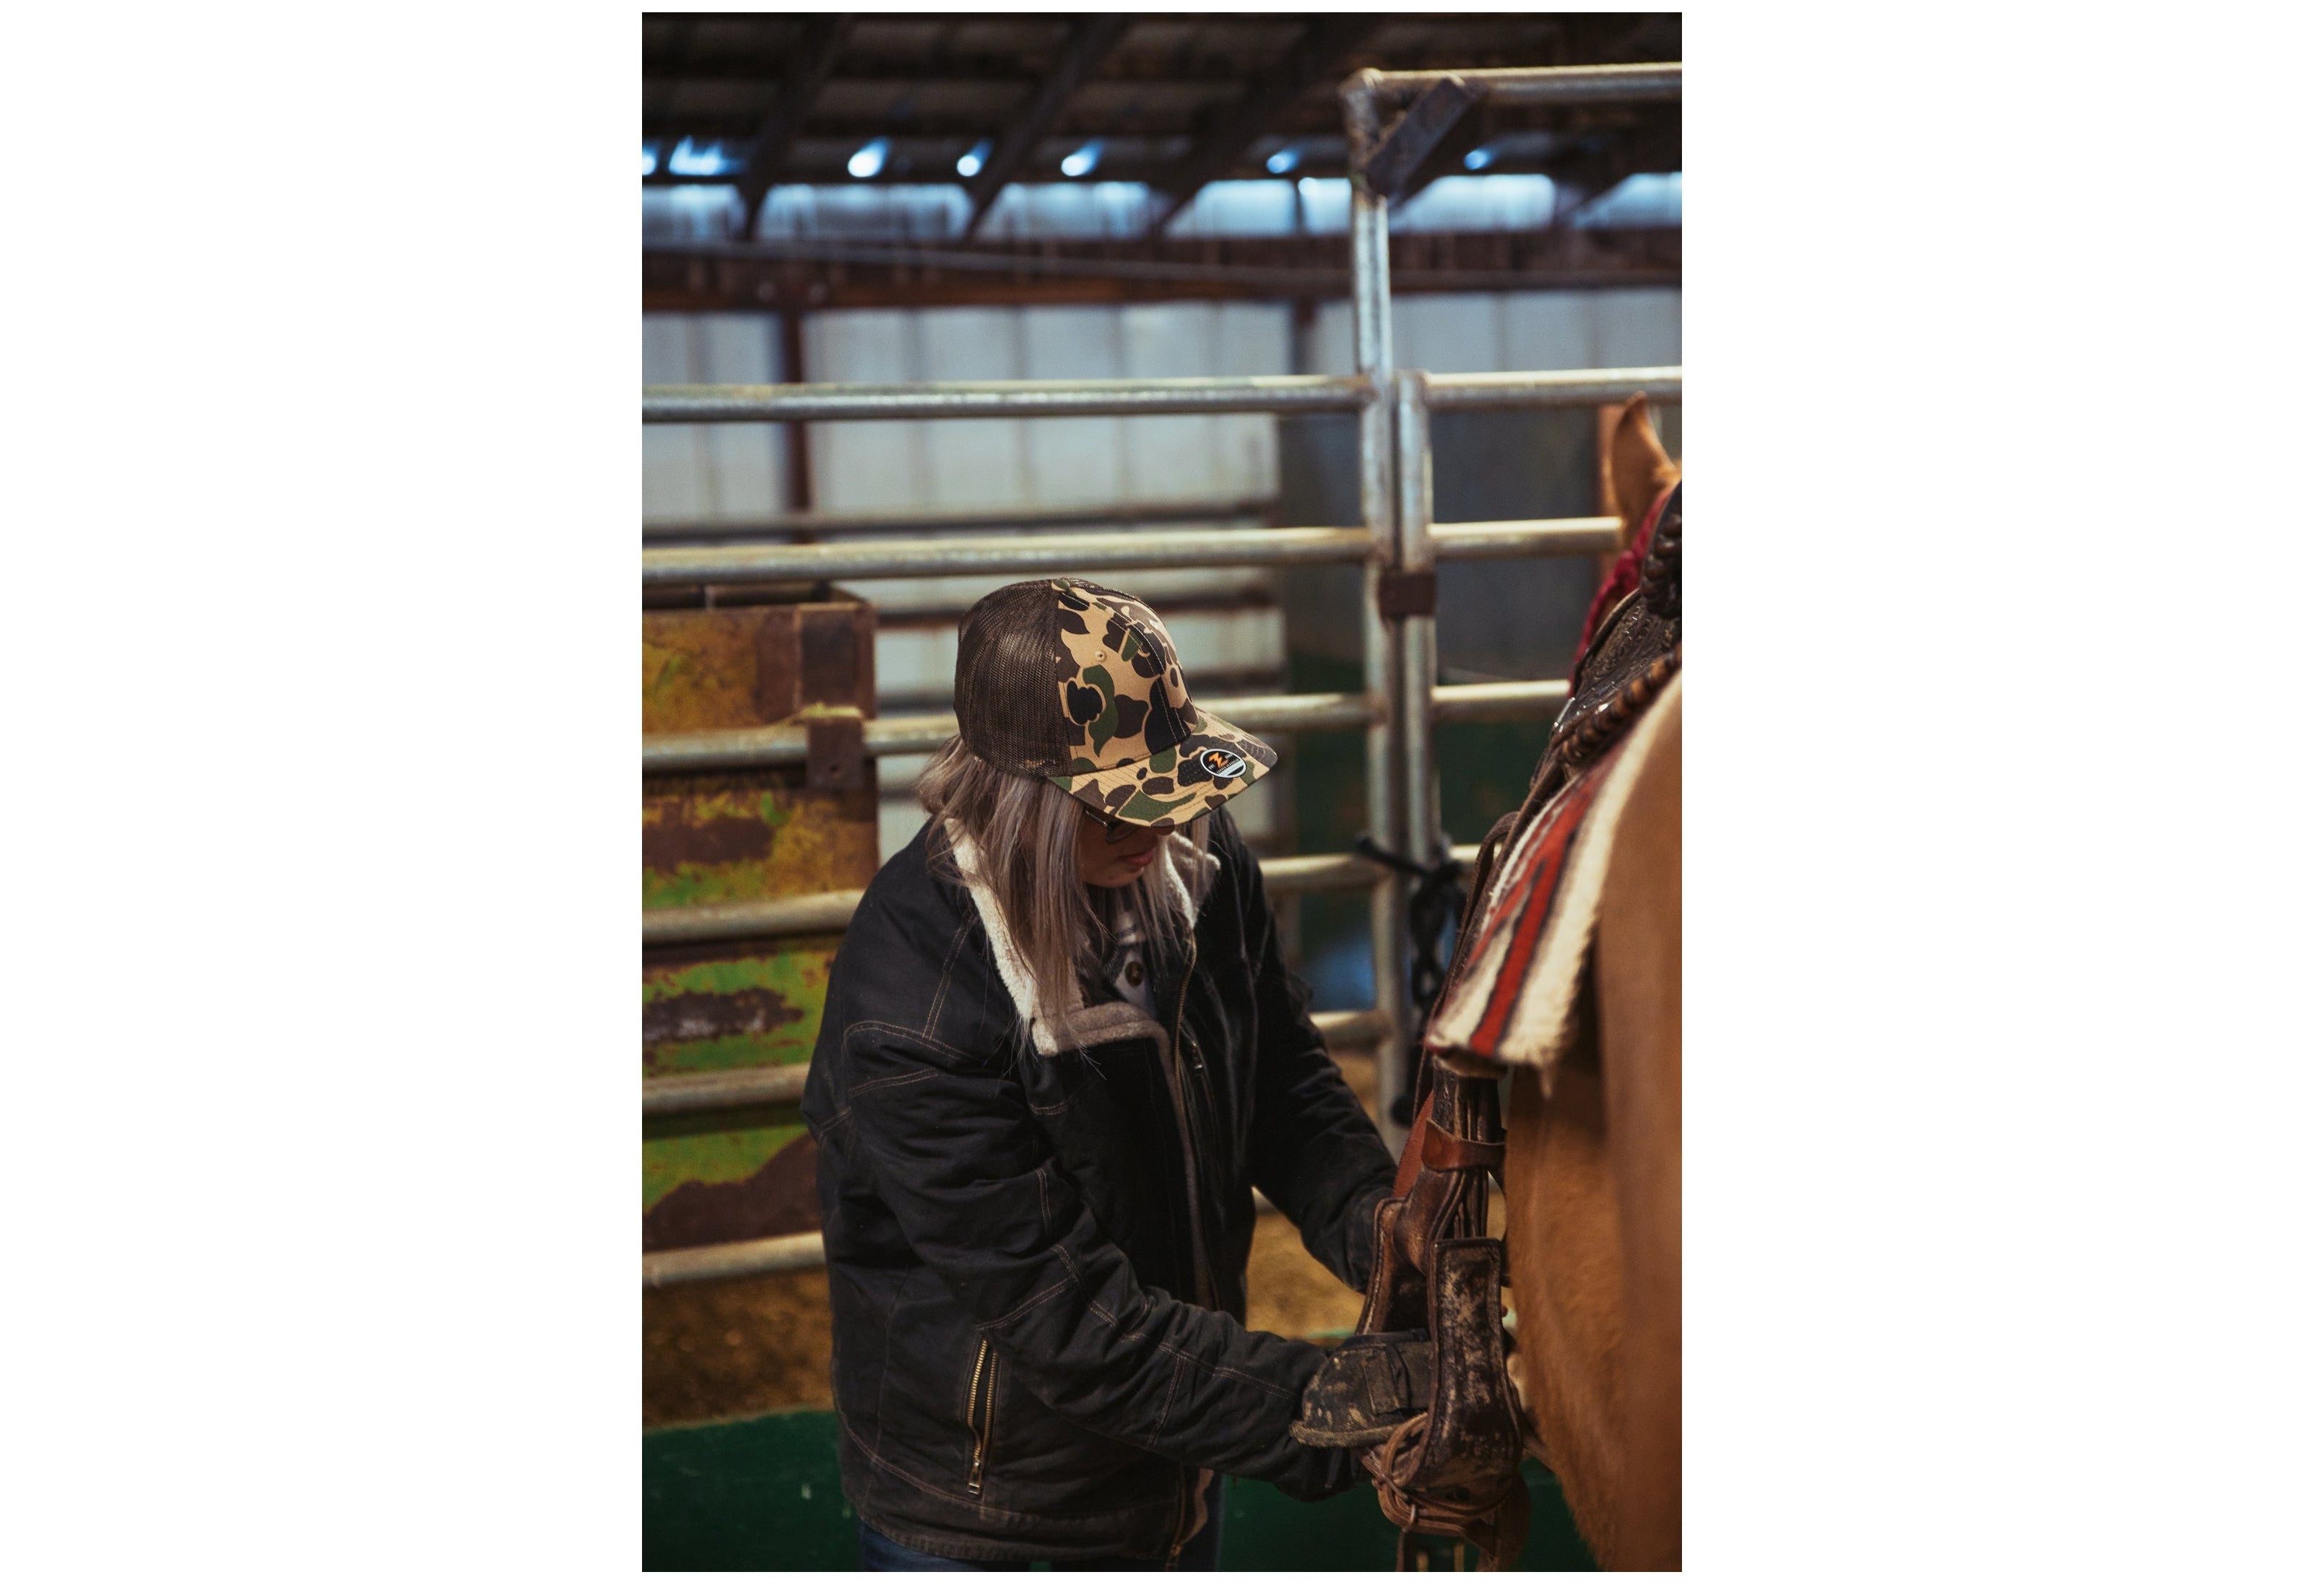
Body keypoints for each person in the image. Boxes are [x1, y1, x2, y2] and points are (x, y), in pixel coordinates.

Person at [801, 577, 1399, 1571]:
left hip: (1176, 1457)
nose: (1158, 824)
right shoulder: (914, 1009)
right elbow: (1070, 1322)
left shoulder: (1186, 856)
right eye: (1118, 805)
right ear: (1019, 796)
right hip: (994, 1519)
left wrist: (1386, 1233)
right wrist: (1335, 1406)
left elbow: (1281, 1081)